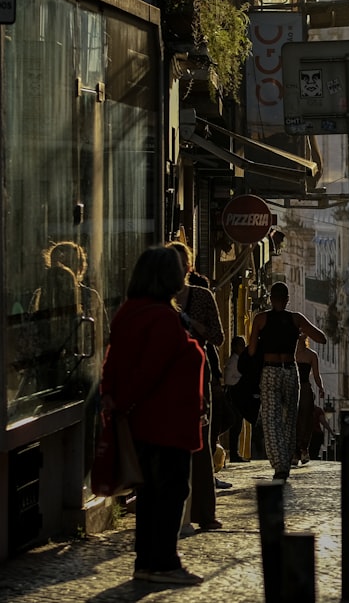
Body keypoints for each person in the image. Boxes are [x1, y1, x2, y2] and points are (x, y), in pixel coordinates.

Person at [99, 246, 205, 586]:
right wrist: (125, 403)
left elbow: (118, 364)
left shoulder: (130, 312)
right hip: (164, 422)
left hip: (146, 422)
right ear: (167, 277)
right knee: (169, 493)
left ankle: (147, 561)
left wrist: (118, 404)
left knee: (150, 496)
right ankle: (162, 562)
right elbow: (150, 370)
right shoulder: (160, 318)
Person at [167, 241, 226, 532]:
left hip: (197, 373)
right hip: (166, 375)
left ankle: (204, 512)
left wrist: (194, 326)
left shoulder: (202, 297)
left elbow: (218, 337)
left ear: (189, 268)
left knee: (200, 442)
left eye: (179, 264)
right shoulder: (160, 298)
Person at [247, 281, 327, 481]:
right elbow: (321, 338)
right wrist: (301, 332)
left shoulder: (260, 319)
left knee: (271, 421)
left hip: (270, 372)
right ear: (288, 299)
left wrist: (261, 341)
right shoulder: (296, 319)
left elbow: (251, 351)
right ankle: (287, 460)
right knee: (290, 420)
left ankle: (280, 465)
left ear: (270, 299)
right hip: (291, 372)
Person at [294, 332, 325, 465]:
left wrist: (321, 388)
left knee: (306, 418)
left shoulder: (312, 355)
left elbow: (317, 375)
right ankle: (295, 451)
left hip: (305, 388)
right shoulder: (291, 353)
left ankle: (304, 448)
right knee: (293, 418)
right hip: (293, 386)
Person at [223, 335, 250, 463]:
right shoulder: (234, 360)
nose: (243, 347)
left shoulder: (240, 360)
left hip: (239, 395)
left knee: (238, 425)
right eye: (241, 345)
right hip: (233, 396)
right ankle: (234, 453)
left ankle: (236, 453)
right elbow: (228, 379)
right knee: (235, 424)